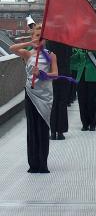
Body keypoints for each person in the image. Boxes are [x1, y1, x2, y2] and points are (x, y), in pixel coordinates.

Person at [9, 24, 58, 173]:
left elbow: (55, 74)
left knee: (43, 129)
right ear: (33, 37)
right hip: (31, 93)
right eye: (37, 36)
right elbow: (12, 49)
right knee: (32, 129)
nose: (39, 39)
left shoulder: (51, 55)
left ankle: (43, 164)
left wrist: (43, 75)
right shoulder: (27, 54)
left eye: (42, 37)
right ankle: (33, 164)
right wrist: (30, 43)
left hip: (45, 96)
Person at [47, 41, 72, 140]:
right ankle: (60, 132)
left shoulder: (49, 42)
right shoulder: (67, 42)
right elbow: (70, 56)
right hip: (64, 74)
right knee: (62, 103)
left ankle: (53, 132)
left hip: (53, 74)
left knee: (53, 103)